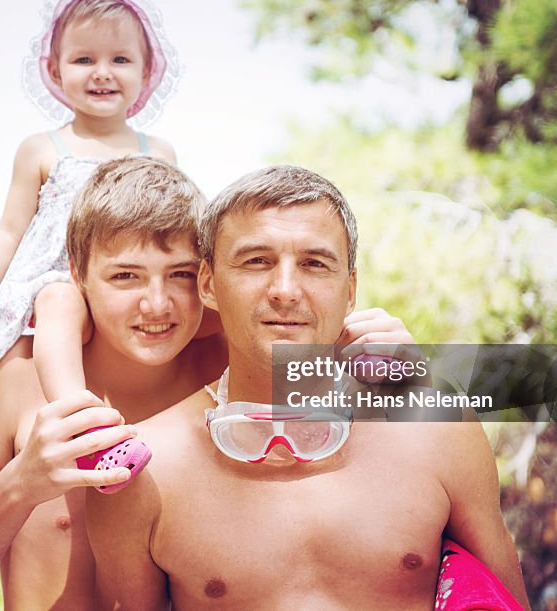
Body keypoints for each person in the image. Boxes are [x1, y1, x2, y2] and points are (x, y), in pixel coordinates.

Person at [0, 158, 418, 609]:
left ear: (210, 280)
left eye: (181, 276)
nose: (157, 305)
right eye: (125, 276)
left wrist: (406, 367)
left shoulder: (232, 369)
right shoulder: (19, 383)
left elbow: (386, 426)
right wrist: (21, 484)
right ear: (77, 274)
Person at [86, 165, 530, 609]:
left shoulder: (437, 429)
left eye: (314, 264)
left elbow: (509, 599)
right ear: (209, 284)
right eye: (256, 261)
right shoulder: (144, 470)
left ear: (350, 289)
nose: (284, 290)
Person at [0, 0, 179, 488]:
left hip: (130, 281)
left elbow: (176, 229)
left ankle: (322, 379)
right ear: (54, 70)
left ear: (146, 71)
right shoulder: (43, 149)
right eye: (83, 58)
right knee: (59, 302)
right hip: (59, 276)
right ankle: (83, 427)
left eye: (120, 59)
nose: (102, 72)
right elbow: (9, 230)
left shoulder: (158, 152)